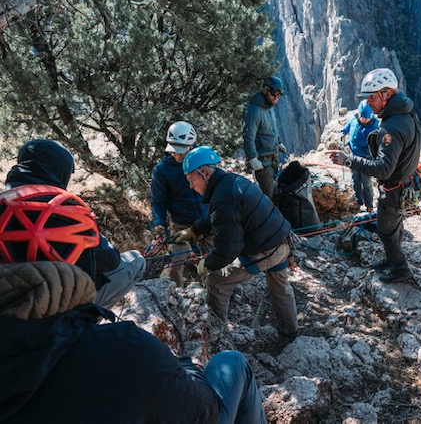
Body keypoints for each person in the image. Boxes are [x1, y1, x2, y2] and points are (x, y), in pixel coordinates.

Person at [0, 184, 267, 423]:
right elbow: (202, 409)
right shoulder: (123, 349)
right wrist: (182, 367)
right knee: (232, 363)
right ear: (85, 265)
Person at [4, 139, 145, 308]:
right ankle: (87, 324)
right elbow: (110, 260)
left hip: (7, 310)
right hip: (59, 311)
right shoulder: (64, 212)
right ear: (59, 172)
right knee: (136, 260)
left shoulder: (3, 205)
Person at [176, 146, 298, 339]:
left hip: (266, 248)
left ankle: (217, 336)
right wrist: (195, 230)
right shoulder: (230, 181)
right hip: (281, 238)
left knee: (217, 282)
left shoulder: (223, 197)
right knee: (280, 285)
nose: (191, 186)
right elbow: (218, 216)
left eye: (192, 180)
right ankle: (290, 332)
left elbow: (228, 250)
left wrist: (206, 264)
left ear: (206, 173)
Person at [327, 68, 421, 283]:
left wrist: (349, 160)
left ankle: (400, 268)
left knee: (385, 229)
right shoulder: (407, 114)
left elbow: (383, 168)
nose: (369, 103)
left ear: (386, 94)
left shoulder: (392, 126)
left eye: (372, 97)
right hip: (403, 183)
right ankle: (392, 260)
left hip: (394, 187)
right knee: (393, 226)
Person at [151, 121, 210, 286]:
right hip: (181, 223)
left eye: (181, 153)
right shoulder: (162, 171)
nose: (177, 156)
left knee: (213, 260)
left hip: (207, 218)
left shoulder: (204, 162)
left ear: (191, 146)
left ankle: (213, 292)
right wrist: (159, 225)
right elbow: (158, 201)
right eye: (174, 152)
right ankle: (170, 292)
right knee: (177, 259)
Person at [243, 76, 287, 198]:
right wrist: (252, 158)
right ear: (265, 90)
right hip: (262, 161)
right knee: (268, 196)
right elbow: (248, 136)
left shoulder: (269, 107)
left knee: (276, 189)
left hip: (273, 157)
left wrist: (278, 142)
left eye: (278, 96)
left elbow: (272, 129)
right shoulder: (254, 110)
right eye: (274, 94)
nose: (276, 98)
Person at [341, 99, 379, 212]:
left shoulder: (373, 128)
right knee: (355, 179)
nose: (364, 120)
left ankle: (369, 206)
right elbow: (349, 126)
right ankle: (358, 200)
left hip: (365, 158)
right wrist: (343, 132)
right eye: (362, 117)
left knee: (366, 182)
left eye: (366, 118)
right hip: (353, 156)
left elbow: (373, 146)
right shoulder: (355, 119)